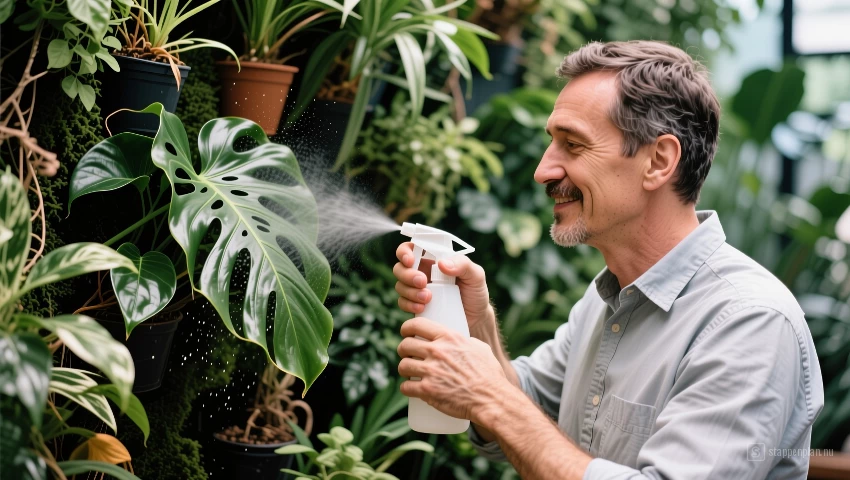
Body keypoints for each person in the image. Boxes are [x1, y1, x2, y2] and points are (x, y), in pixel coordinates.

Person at [392, 40, 824, 479]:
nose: (544, 170)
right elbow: (529, 407)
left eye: (573, 145)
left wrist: (490, 398)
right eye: (551, 143)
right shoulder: (607, 298)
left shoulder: (750, 321)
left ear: (659, 161)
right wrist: (477, 322)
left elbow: (507, 409)